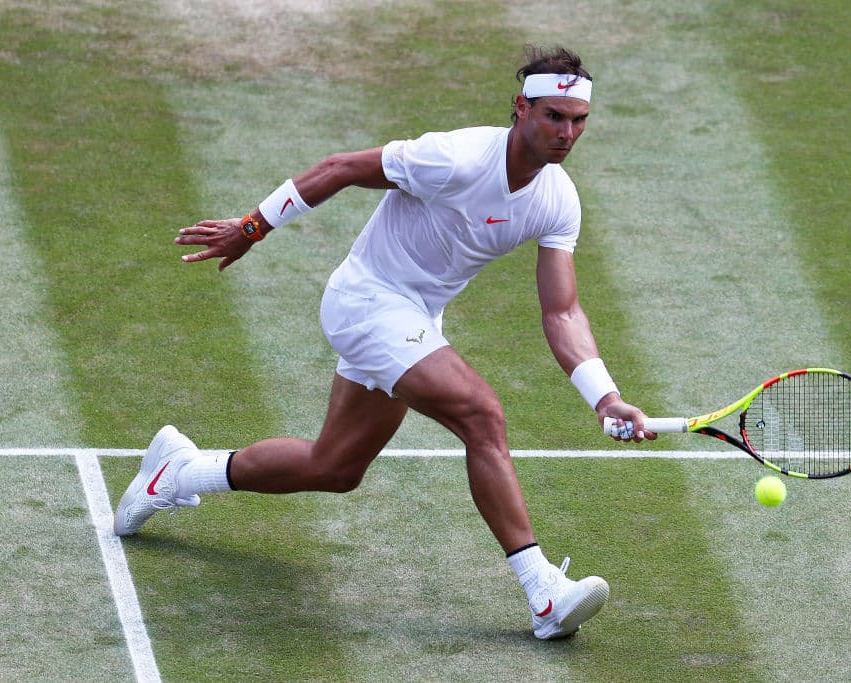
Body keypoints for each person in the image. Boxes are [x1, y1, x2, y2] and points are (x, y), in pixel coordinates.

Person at [114, 45, 656, 640]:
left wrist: (605, 397)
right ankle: (543, 592)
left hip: (414, 319)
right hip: (366, 301)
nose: (567, 133)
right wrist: (251, 228)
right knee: (481, 414)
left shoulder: (558, 199)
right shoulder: (454, 158)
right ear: (522, 108)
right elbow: (340, 167)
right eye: (555, 116)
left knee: (334, 466)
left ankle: (178, 473)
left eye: (578, 120)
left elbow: (562, 311)